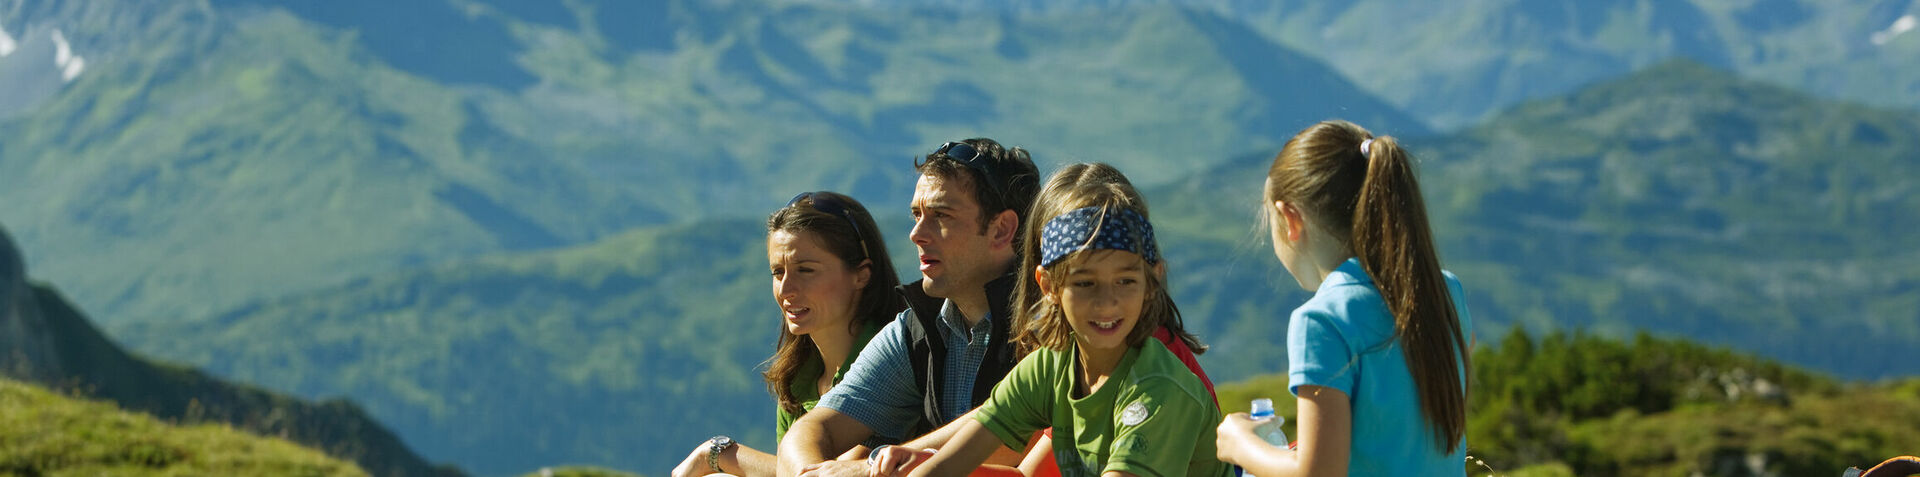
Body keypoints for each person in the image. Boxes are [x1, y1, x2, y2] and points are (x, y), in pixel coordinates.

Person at [898, 162, 1230, 477]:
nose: (1106, 302)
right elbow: (949, 466)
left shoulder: (1159, 388)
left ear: (1151, 282)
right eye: (1085, 283)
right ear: (1049, 286)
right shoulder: (1050, 367)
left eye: (1125, 281)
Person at [1215, 120, 1475, 476]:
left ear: (1291, 219)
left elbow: (1319, 473)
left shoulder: (1322, 321)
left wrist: (1243, 445)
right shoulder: (1445, 292)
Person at [779, 139, 1043, 477]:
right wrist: (813, 474)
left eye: (941, 216)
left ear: (1002, 229)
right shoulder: (916, 330)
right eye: (916, 215)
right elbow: (812, 430)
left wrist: (870, 468)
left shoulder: (1054, 322)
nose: (917, 234)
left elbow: (1012, 433)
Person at [673, 191, 905, 477]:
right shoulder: (799, 377)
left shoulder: (894, 362)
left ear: (862, 274)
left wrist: (717, 452)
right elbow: (791, 471)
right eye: (777, 272)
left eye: (805, 270)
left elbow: (824, 472)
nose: (786, 290)